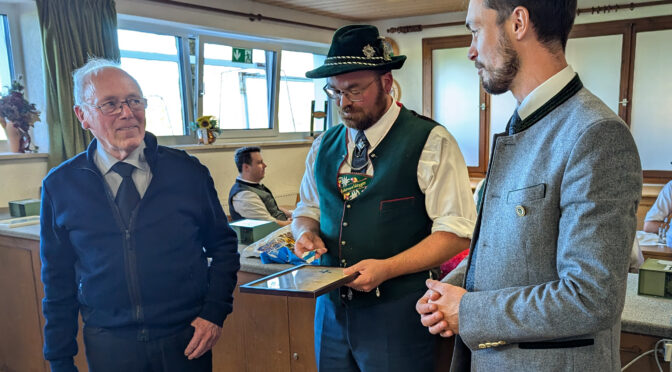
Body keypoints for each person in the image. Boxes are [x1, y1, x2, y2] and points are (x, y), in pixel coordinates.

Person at [415, 1, 642, 371]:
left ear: (518, 22)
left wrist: (467, 310)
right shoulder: (520, 123)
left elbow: (591, 297)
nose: (471, 50)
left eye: (475, 30)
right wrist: (448, 290)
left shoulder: (596, 134)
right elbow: (511, 253)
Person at [292, 25, 477, 372]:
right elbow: (307, 209)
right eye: (335, 92)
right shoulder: (324, 146)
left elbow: (456, 233)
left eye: (355, 91)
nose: (344, 102)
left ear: (386, 83)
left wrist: (387, 268)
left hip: (398, 315)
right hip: (330, 312)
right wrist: (305, 232)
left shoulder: (430, 141)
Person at [40, 58, 240, 372]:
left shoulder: (187, 172)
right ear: (83, 116)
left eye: (134, 100)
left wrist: (214, 313)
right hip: (109, 344)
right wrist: (59, 359)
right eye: (110, 104)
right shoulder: (60, 185)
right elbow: (57, 278)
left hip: (185, 340)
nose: (127, 113)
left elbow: (225, 247)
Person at [228, 146, 292, 226]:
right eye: (259, 162)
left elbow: (271, 208)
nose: (265, 165)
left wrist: (291, 214)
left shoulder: (253, 187)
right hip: (268, 236)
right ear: (246, 167)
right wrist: (291, 223)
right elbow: (268, 224)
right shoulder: (244, 195)